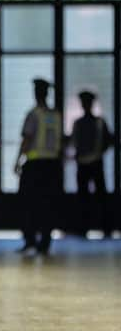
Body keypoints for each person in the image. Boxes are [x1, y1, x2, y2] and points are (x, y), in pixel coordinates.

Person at [14, 78, 63, 256]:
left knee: (29, 204)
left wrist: (17, 161)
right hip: (53, 165)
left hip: (35, 165)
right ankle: (45, 243)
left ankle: (30, 241)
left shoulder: (34, 115)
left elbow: (27, 139)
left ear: (36, 94)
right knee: (48, 204)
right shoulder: (56, 115)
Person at [70, 90, 114, 238]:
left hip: (94, 162)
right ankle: (84, 227)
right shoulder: (79, 123)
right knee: (84, 197)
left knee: (99, 197)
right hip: (85, 163)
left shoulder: (99, 122)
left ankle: (104, 227)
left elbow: (107, 141)